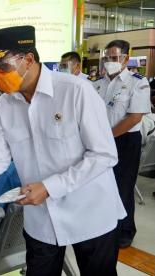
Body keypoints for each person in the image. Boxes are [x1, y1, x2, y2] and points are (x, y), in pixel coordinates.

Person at [0, 26, 125, 276]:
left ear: (28, 59)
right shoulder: (6, 104)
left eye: (1, 66)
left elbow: (103, 155)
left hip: (90, 210)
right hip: (42, 218)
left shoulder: (75, 91)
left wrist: (50, 187)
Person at [92, 39, 151, 249]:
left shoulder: (138, 82)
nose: (109, 62)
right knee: (102, 185)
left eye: (114, 58)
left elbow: (134, 117)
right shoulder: (98, 84)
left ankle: (125, 231)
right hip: (100, 140)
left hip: (125, 141)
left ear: (126, 58)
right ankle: (105, 227)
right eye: (106, 58)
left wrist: (107, 136)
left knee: (123, 187)